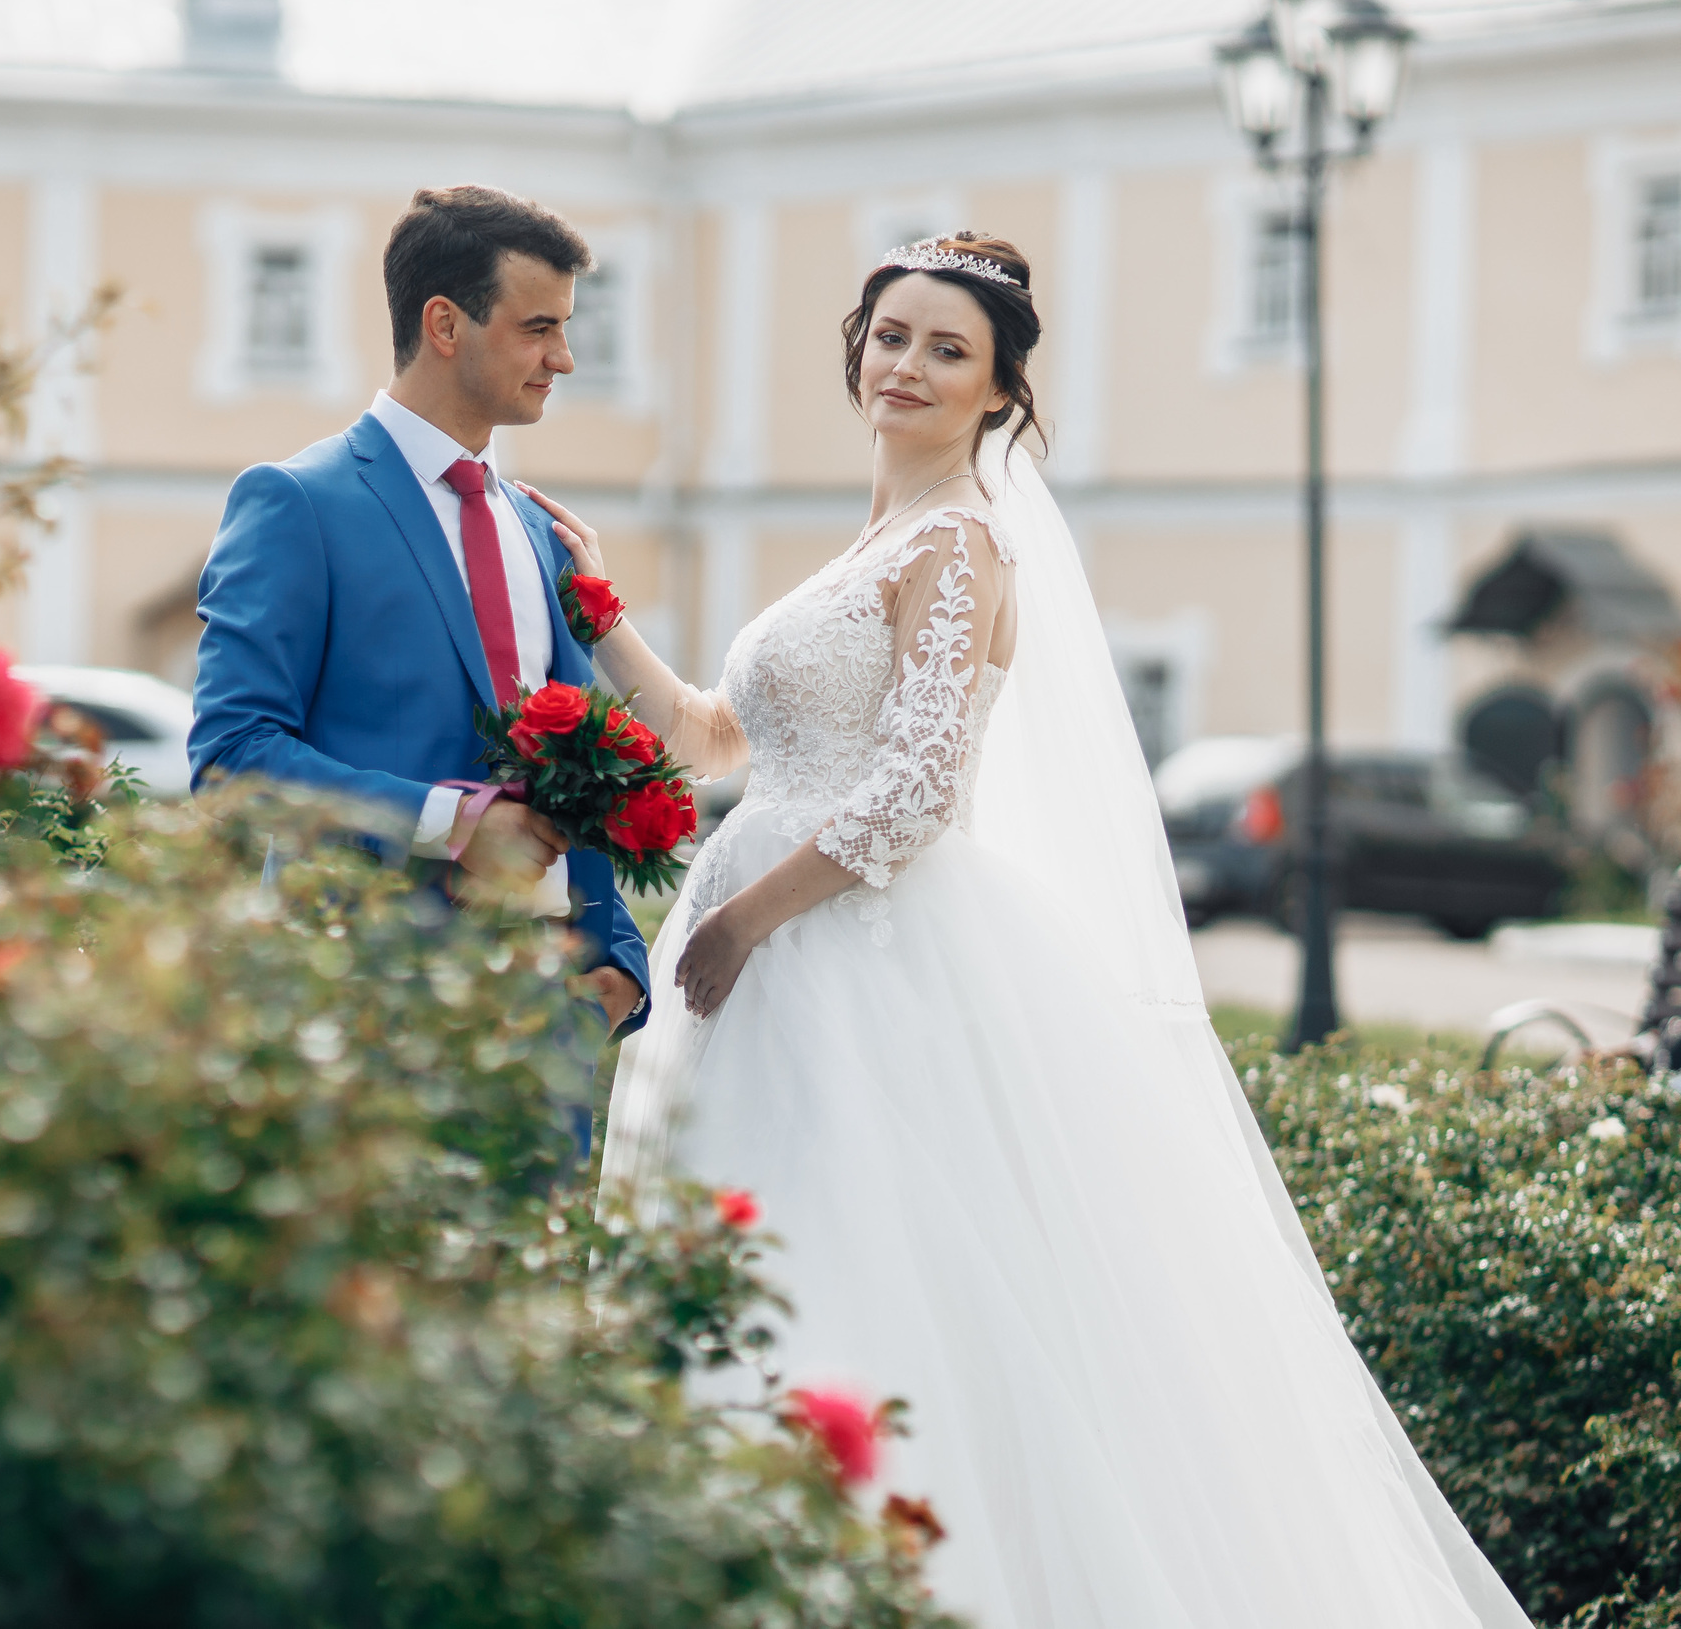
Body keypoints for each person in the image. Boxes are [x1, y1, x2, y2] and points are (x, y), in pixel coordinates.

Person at [562, 235, 1534, 1627]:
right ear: (857, 348)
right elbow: (718, 735)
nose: (907, 364)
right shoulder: (874, 540)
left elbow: (914, 792)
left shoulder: (959, 541)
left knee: (864, 1262)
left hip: (850, 950)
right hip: (771, 953)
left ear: (1000, 391)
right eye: (891, 335)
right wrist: (596, 605)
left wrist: (742, 923)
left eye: (946, 349)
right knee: (758, 1243)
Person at [189, 185, 653, 1152]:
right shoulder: (296, 503)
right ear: (445, 323)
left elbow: (583, 761)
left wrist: (613, 966)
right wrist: (455, 824)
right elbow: (233, 760)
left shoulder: (543, 530)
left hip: (544, 1039)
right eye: (538, 328)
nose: (563, 358)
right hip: (358, 1024)